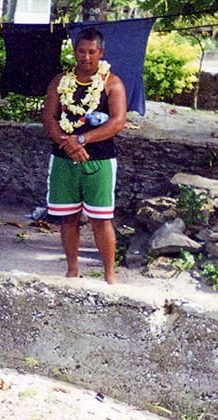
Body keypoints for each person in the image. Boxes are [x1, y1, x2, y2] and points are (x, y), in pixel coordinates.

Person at [42, 27, 127, 284]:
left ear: (100, 53)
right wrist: (68, 144)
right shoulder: (60, 81)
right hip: (64, 159)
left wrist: (82, 140)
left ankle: (109, 276)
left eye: (92, 52)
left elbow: (118, 122)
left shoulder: (112, 83)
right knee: (69, 217)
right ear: (75, 52)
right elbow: (49, 117)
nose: (86, 57)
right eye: (81, 51)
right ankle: (72, 270)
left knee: (101, 219)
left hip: (99, 160)